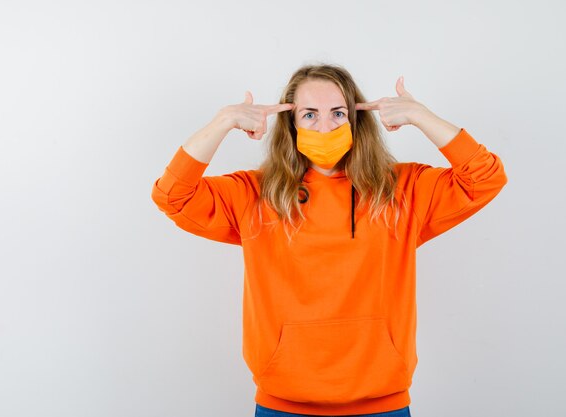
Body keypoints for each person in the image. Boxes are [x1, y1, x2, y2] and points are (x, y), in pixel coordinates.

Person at [151, 64, 507, 417]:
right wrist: (223, 122)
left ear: (356, 118)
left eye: (338, 113)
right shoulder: (256, 194)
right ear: (290, 124)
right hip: (283, 404)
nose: (325, 126)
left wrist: (421, 115)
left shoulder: (401, 191)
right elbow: (172, 197)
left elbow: (485, 178)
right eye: (309, 115)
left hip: (383, 403)